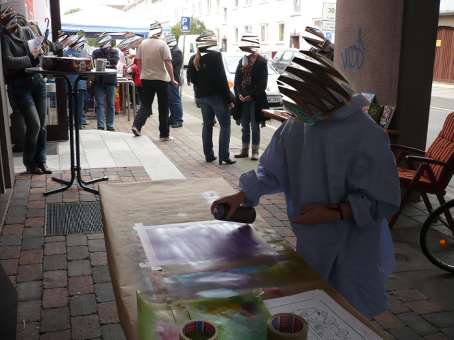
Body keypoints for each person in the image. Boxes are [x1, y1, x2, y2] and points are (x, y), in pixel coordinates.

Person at [211, 50, 401, 318]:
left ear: (323, 96)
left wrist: (336, 212)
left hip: (353, 244)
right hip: (312, 239)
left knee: (349, 311)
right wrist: (242, 195)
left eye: (302, 103)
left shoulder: (365, 135)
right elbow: (273, 171)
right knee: (314, 304)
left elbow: (383, 200)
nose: (297, 110)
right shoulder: (299, 125)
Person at [1, 7, 51, 174]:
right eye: (8, 18)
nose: (13, 21)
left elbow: (38, 54)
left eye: (14, 16)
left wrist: (37, 54)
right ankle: (30, 162)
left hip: (37, 81)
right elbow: (9, 63)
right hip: (19, 86)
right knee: (34, 124)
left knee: (42, 125)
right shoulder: (3, 37)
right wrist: (30, 58)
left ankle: (41, 160)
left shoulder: (27, 31)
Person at [187, 31, 235, 165]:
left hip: (202, 98)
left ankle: (209, 155)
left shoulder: (193, 58)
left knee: (207, 125)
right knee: (225, 125)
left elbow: (193, 80)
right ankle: (224, 156)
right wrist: (229, 99)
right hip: (217, 97)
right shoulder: (215, 56)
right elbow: (222, 79)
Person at [131, 21, 178, 141]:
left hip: (146, 79)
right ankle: (164, 135)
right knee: (163, 107)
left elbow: (139, 61)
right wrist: (172, 79)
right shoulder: (163, 44)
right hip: (161, 79)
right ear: (160, 31)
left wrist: (142, 73)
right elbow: (168, 62)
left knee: (145, 105)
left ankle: (137, 125)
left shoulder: (142, 44)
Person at [233, 34, 269, 161]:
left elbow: (262, 84)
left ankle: (255, 151)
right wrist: (239, 94)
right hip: (242, 100)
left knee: (255, 126)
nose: (245, 52)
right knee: (244, 125)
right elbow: (237, 81)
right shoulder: (242, 61)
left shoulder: (262, 62)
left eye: (247, 48)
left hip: (256, 100)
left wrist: (250, 96)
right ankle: (244, 150)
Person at [92, 33, 119, 131]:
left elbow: (114, 62)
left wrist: (103, 62)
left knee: (111, 104)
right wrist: (107, 63)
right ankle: (101, 125)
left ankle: (110, 125)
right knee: (99, 104)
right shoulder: (96, 51)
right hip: (99, 81)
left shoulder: (115, 51)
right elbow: (94, 62)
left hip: (110, 81)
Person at [64, 35, 89, 128]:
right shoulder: (82, 55)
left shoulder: (64, 54)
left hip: (68, 83)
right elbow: (87, 68)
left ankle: (71, 123)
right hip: (80, 83)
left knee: (70, 105)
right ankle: (78, 124)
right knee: (79, 106)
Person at [165, 34, 184, 128]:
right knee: (171, 101)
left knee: (175, 101)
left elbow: (171, 65)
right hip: (169, 79)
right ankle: (173, 118)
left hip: (173, 80)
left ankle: (178, 120)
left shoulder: (176, 51)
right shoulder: (172, 50)